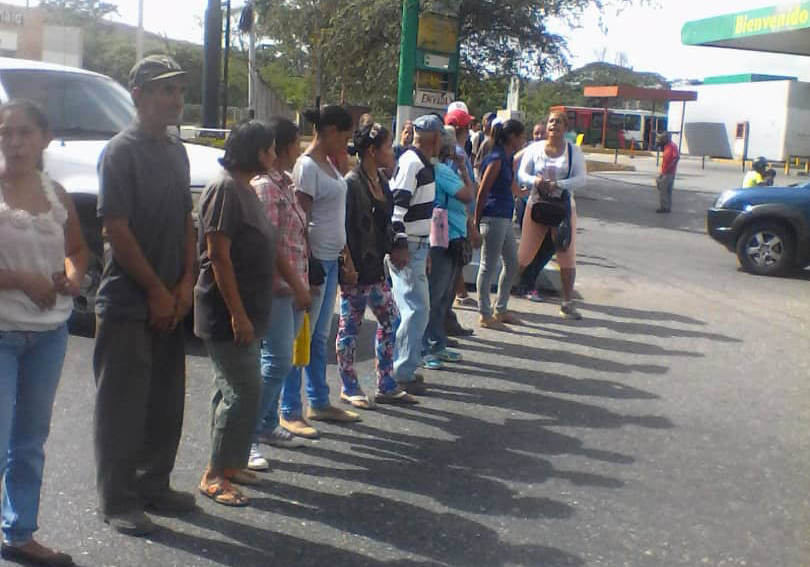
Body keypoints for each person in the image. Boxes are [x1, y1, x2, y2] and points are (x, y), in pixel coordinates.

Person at [94, 55, 197, 536]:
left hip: (170, 299)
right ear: (137, 95)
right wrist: (156, 291)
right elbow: (116, 228)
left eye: (178, 89)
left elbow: (185, 223)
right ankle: (118, 499)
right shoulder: (120, 151)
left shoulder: (177, 151)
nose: (174, 98)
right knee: (122, 407)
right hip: (127, 301)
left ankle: (154, 484)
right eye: (163, 90)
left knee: (165, 402)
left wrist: (183, 287)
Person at [196, 120, 308, 505]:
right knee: (243, 391)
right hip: (227, 313)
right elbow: (218, 257)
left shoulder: (244, 188)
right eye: (271, 149)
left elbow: (271, 246)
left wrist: (295, 285)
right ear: (257, 152)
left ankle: (229, 462)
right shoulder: (225, 189)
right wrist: (238, 315)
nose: (276, 156)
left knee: (228, 390)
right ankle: (214, 475)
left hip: (250, 310)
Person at [0, 100, 88, 567]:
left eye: (24, 133)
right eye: (6, 133)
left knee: (30, 442)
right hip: (2, 334)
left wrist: (73, 277)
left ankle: (19, 533)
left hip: (49, 335)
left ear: (44, 138)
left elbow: (77, 249)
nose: (14, 142)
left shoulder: (57, 192)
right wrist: (21, 280)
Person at [281, 105, 360, 436]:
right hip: (312, 265)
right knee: (298, 338)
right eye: (343, 135)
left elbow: (334, 216)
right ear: (328, 131)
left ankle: (318, 400)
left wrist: (345, 259)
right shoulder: (308, 167)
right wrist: (308, 270)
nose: (346, 142)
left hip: (331, 260)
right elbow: (301, 221)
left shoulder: (330, 163)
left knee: (319, 337)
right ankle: (289, 409)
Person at [248, 118, 313, 472]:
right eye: (292, 143)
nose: (297, 149)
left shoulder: (285, 184)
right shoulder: (265, 188)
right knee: (276, 363)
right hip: (276, 287)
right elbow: (270, 245)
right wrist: (295, 283)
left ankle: (267, 424)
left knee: (283, 358)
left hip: (295, 285)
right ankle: (246, 437)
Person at [338, 123, 418, 406]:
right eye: (387, 146)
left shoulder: (382, 181)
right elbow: (342, 229)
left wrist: (397, 244)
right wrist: (347, 264)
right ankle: (349, 386)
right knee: (350, 329)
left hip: (376, 270)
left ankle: (385, 382)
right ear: (372, 151)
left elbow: (385, 223)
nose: (392, 150)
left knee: (391, 320)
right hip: (356, 271)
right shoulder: (351, 183)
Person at [388, 114, 443, 394]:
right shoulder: (413, 163)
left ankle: (402, 366)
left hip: (416, 243)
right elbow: (397, 205)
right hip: (407, 244)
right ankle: (402, 371)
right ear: (434, 137)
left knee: (410, 309)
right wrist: (399, 244)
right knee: (416, 309)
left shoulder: (422, 163)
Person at [517, 111, 587, 320]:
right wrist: (536, 182)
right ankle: (506, 296)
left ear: (566, 128)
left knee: (566, 255)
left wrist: (558, 184)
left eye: (558, 122)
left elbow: (581, 178)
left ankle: (567, 302)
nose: (554, 125)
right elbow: (522, 173)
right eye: (551, 121)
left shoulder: (573, 151)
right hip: (537, 205)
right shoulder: (535, 148)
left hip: (563, 209)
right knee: (523, 254)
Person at [423, 126, 475, 368]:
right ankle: (428, 346)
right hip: (444, 236)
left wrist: (463, 168)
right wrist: (463, 170)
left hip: (452, 234)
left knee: (444, 296)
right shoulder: (441, 170)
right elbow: (467, 194)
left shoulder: (445, 169)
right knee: (436, 295)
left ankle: (438, 342)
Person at [475, 119, 526, 331]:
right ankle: (485, 313)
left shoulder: (506, 158)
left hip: (504, 217)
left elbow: (512, 188)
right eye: (522, 136)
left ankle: (501, 308)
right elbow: (482, 192)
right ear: (512, 137)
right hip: (493, 217)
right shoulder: (496, 159)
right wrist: (475, 223)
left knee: (512, 262)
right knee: (488, 265)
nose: (524, 140)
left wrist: (529, 191)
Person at [443, 108, 480, 332]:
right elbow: (458, 192)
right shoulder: (456, 155)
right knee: (447, 278)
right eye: (467, 127)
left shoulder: (456, 152)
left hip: (457, 221)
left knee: (450, 276)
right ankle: (442, 328)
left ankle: (446, 322)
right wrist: (470, 224)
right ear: (461, 129)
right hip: (455, 223)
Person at [655, 132, 680, 213]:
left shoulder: (672, 146)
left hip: (669, 172)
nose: (662, 139)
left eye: (664, 138)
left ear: (668, 138)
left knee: (664, 190)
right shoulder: (666, 146)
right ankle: (667, 206)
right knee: (664, 188)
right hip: (664, 171)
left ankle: (665, 207)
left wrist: (669, 168)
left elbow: (676, 158)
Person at [473, 112, 496, 180]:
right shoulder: (478, 136)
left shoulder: (495, 139)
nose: (490, 123)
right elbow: (473, 157)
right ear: (484, 121)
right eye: (488, 120)